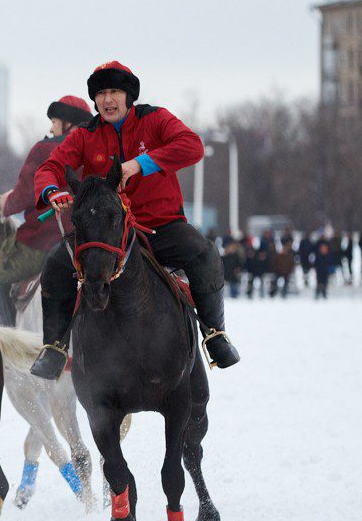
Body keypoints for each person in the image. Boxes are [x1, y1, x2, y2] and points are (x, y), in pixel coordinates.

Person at [29, 60, 239, 379]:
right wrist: (51, 191)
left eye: (114, 91)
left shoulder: (155, 119)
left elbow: (192, 146)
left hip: (160, 225)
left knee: (204, 252)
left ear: (129, 95)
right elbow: (49, 169)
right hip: (106, 233)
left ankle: (215, 334)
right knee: (57, 263)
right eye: (100, 93)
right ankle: (55, 347)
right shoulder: (85, 135)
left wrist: (142, 163)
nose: (108, 99)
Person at [0, 95, 92, 325]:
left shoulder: (44, 149)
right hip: (84, 242)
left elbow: (25, 194)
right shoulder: (93, 149)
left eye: (55, 121)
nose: (51, 127)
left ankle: (7, 341)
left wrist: (5, 204)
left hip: (41, 243)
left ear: (68, 123)